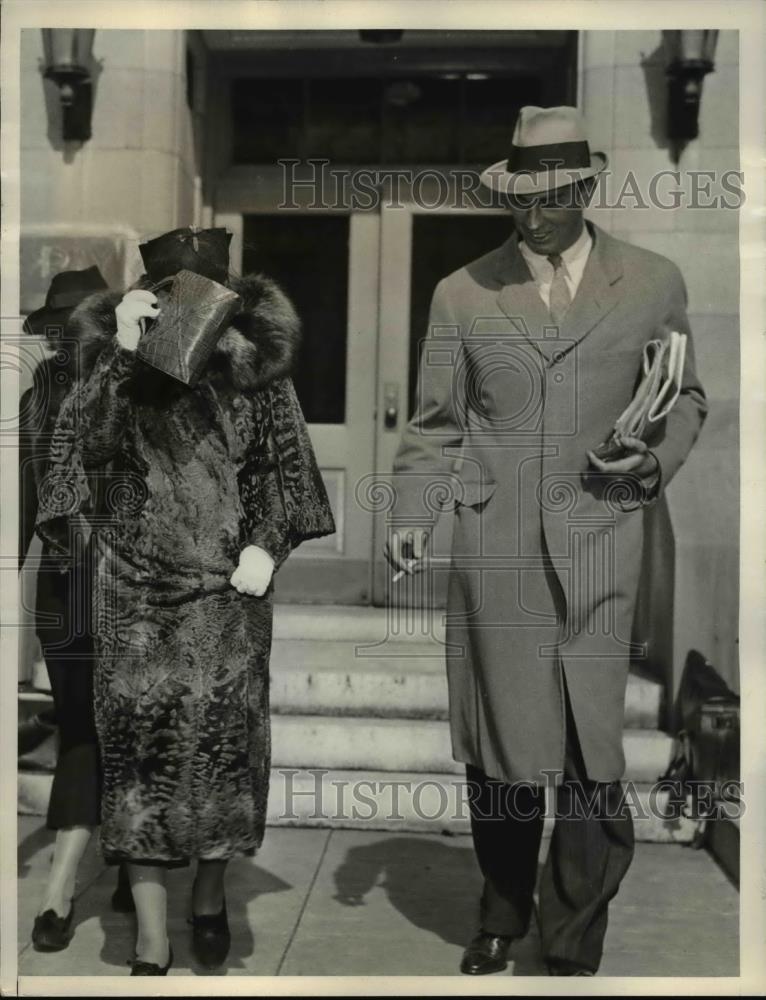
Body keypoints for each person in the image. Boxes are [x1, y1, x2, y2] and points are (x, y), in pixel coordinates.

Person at [386, 106, 707, 976]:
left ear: (586, 188)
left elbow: (685, 400)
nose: (534, 216)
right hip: (500, 553)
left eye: (553, 199)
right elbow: (434, 424)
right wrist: (413, 513)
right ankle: (500, 910)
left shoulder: (652, 281)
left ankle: (571, 932)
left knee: (588, 749)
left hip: (604, 537)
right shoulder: (463, 291)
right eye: (520, 200)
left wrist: (650, 461)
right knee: (505, 749)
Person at [36, 227, 335, 975]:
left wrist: (267, 546)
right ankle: (150, 937)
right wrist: (119, 358)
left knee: (223, 766)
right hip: (136, 603)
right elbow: (83, 464)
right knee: (139, 766)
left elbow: (282, 475)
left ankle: (208, 901)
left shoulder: (257, 375)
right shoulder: (114, 367)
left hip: (228, 601)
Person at [19, 267, 136, 954]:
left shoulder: (134, 388)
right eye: (58, 327)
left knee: (116, 730)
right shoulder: (40, 394)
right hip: (65, 589)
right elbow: (22, 496)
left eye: (79, 324)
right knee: (81, 732)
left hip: (130, 586)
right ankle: (90, 871)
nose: (67, 339)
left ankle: (83, 878)